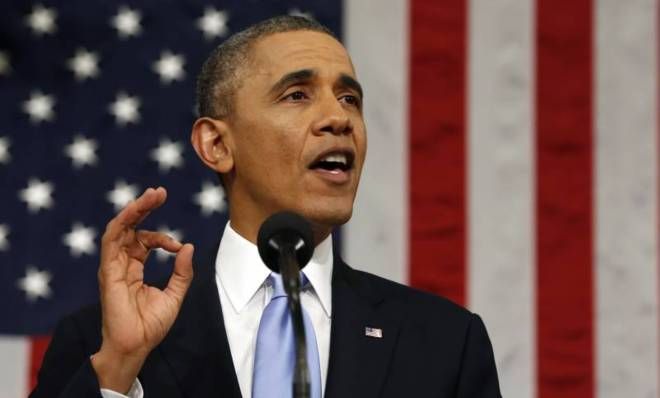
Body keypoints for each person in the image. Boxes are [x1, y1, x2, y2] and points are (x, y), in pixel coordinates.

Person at [30, 16, 501, 398]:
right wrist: (118, 369)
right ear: (216, 144)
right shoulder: (101, 339)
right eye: (297, 95)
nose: (339, 118)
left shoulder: (443, 343)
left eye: (349, 98)